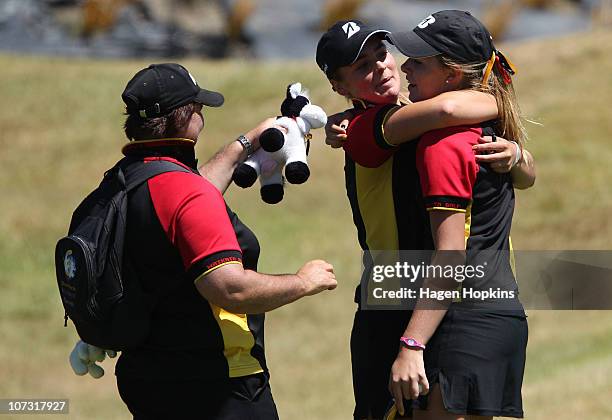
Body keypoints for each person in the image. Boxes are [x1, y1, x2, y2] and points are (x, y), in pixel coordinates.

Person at [315, 18, 535, 420]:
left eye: (382, 55)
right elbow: (450, 106)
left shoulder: (429, 123)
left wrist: (518, 155)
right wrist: (499, 98)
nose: (384, 67)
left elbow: (518, 171)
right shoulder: (370, 127)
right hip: (392, 303)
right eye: (362, 66)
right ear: (339, 87)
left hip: (436, 305)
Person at [108, 63, 336, 419]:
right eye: (197, 107)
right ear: (186, 118)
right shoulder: (186, 194)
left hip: (146, 378)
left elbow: (185, 199)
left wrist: (247, 141)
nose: (201, 112)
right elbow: (231, 290)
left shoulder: (123, 183)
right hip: (218, 387)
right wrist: (304, 282)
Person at [383, 10, 530, 419]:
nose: (405, 66)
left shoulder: (443, 144)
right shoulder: (491, 128)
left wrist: (411, 345)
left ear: (450, 76)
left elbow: (450, 255)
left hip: (463, 322)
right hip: (502, 316)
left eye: (420, 61)